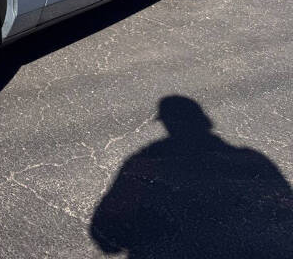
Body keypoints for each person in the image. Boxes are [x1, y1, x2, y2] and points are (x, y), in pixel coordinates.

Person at [89, 96, 292, 258]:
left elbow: (106, 232)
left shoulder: (149, 159)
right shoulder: (252, 159)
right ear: (204, 120)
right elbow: (284, 209)